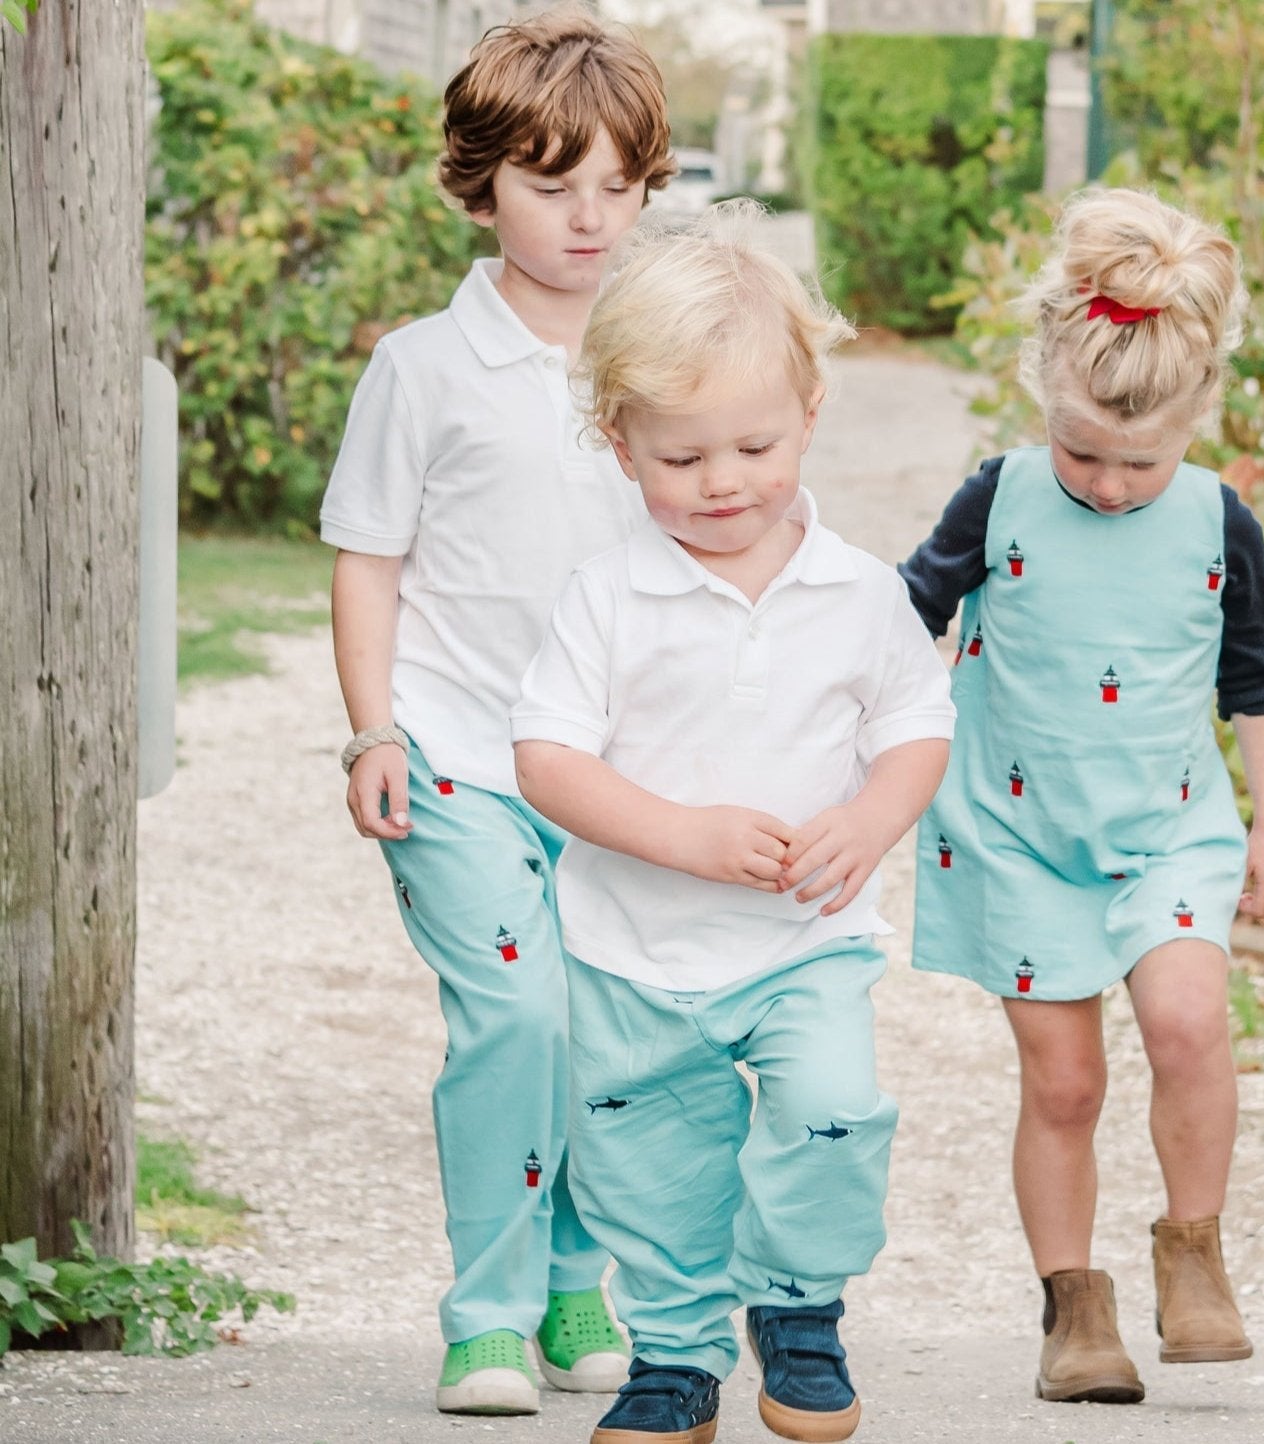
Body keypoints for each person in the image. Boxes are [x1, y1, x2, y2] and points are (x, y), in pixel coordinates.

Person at [510, 205, 956, 1444]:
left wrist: (871, 817)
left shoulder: (861, 593)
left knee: (832, 1107)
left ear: (809, 415)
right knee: (649, 1161)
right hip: (636, 952)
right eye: (681, 458)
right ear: (618, 446)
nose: (722, 483)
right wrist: (677, 833)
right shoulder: (607, 597)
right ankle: (674, 1356)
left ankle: (799, 1306)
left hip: (801, 942)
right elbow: (544, 756)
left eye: (754, 446)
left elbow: (917, 723)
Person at [320, 5, 674, 1417]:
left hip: (615, 772)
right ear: (479, 183)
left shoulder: (659, 350)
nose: (589, 220)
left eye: (619, 187)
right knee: (516, 1016)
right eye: (551, 184)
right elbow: (370, 558)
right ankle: (485, 1314)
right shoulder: (424, 364)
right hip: (459, 758)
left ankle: (580, 1280)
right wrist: (373, 731)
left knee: (608, 1033)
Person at [900, 187, 1264, 1405]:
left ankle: (1193, 1253)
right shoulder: (999, 497)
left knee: (1186, 1025)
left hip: (1166, 827)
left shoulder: (1214, 520)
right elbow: (894, 623)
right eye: (1083, 452)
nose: (1111, 484)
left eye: (1141, 458)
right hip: (1017, 835)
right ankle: (1074, 1306)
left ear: (1195, 421)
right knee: (1064, 1084)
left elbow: (1258, 678)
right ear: (1039, 395)